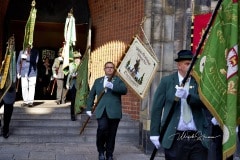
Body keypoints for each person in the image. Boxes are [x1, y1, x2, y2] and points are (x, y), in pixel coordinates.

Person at [150, 50, 210, 160]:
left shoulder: (199, 82)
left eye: (193, 64)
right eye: (187, 64)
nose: (191, 66)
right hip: (175, 137)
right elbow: (156, 108)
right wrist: (154, 132)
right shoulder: (167, 81)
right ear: (179, 65)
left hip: (198, 137)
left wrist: (188, 96)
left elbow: (205, 103)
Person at [86, 61, 127, 160]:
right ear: (104, 69)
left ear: (114, 69)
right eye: (107, 67)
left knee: (112, 134)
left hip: (114, 111)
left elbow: (124, 90)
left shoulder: (117, 80)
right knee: (102, 129)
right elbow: (91, 95)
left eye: (112, 67)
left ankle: (109, 154)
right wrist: (89, 108)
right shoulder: (98, 81)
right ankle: (101, 151)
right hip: (102, 110)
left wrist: (113, 86)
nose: (109, 69)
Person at [66, 51, 81, 121]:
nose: (78, 59)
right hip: (73, 84)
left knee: (81, 98)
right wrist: (67, 83)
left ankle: (79, 110)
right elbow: (70, 74)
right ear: (74, 59)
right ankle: (72, 115)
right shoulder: (71, 65)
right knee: (73, 100)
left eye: (78, 58)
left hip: (81, 84)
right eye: (76, 58)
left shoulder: (82, 65)